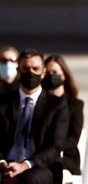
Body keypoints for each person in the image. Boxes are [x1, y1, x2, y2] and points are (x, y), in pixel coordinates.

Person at [0, 48, 69, 184]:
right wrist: (2, 163)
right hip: (5, 163)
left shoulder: (57, 105)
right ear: (18, 72)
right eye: (25, 69)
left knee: (30, 179)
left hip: (39, 166)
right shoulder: (2, 103)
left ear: (43, 73)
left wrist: (25, 165)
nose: (31, 73)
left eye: (35, 68)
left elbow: (55, 146)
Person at [42, 54, 84, 183]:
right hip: (41, 154)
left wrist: (53, 148)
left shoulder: (75, 105)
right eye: (48, 72)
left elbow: (73, 138)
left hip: (65, 157)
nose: (51, 75)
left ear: (64, 75)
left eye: (55, 72)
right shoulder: (41, 102)